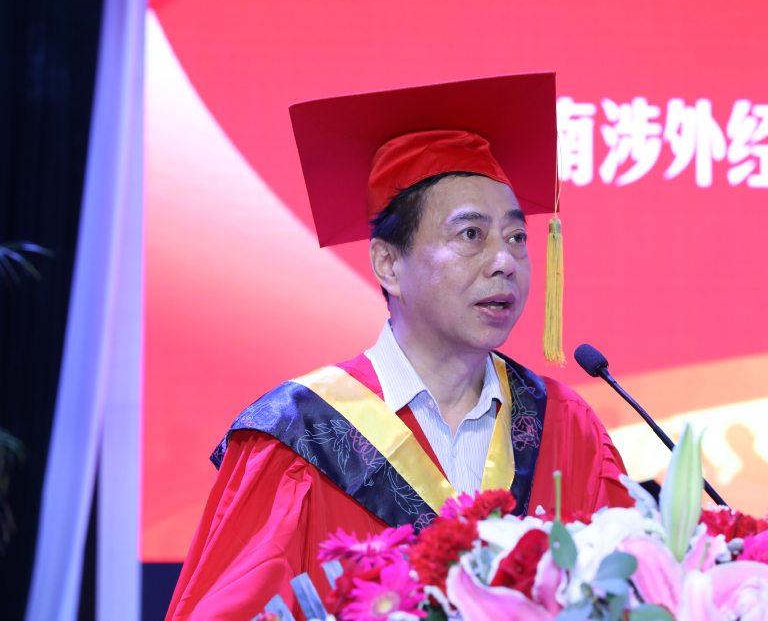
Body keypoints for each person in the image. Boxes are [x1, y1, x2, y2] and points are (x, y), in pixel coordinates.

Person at [165, 74, 632, 619]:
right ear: (388, 263)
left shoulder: (564, 425)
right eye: (471, 235)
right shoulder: (298, 436)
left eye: (516, 237)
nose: (505, 261)